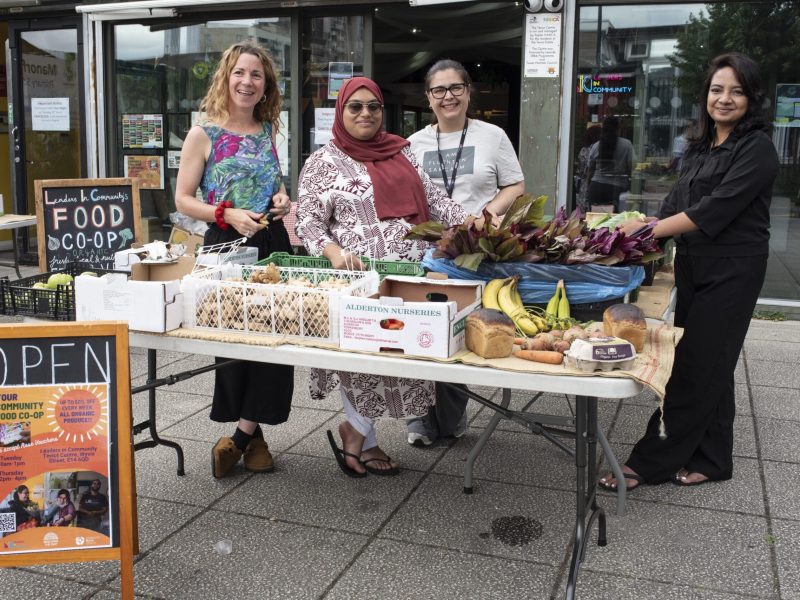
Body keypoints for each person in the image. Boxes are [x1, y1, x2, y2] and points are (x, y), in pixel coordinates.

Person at [600, 53, 779, 492]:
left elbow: (710, 210)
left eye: (736, 91)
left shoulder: (757, 148)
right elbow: (677, 202)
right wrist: (642, 237)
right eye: (717, 89)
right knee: (712, 362)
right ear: (705, 96)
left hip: (734, 267)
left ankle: (650, 461)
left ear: (752, 99)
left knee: (695, 366)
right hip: (695, 263)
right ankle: (714, 458)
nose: (724, 98)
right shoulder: (701, 146)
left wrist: (651, 229)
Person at [295, 76, 472, 477]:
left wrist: (476, 225)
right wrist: (334, 252)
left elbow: (437, 201)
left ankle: (357, 432)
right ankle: (361, 437)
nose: (366, 114)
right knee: (364, 356)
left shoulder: (401, 152)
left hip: (410, 276)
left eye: (373, 106)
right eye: (355, 106)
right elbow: (307, 223)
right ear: (341, 112)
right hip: (359, 280)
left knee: (398, 354)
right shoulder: (322, 163)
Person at [175, 40, 294, 479]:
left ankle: (240, 437)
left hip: (271, 242)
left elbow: (274, 188)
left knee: (276, 338)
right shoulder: (203, 133)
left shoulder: (267, 130)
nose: (247, 81)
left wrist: (282, 199)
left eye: (256, 75)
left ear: (266, 87)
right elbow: (183, 200)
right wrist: (225, 213)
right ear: (226, 78)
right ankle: (253, 437)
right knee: (234, 343)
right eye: (240, 73)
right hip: (225, 244)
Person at [406, 58, 525, 446]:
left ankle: (451, 420)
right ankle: (420, 421)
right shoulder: (414, 144)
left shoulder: (492, 136)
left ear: (468, 92)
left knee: (456, 335)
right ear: (428, 98)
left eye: (456, 88)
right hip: (428, 253)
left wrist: (485, 216)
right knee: (421, 333)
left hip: (473, 253)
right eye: (439, 90)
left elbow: (514, 184)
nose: (448, 96)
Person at [586, 116, 634, 211]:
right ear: (618, 129)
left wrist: (589, 187)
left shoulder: (596, 146)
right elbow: (631, 168)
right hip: (617, 189)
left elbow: (590, 171)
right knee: (614, 222)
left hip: (596, 188)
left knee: (595, 221)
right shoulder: (626, 145)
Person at [574, 124, 602, 212]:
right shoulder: (601, 148)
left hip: (585, 183)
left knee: (584, 209)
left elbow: (581, 170)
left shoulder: (584, 150)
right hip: (598, 182)